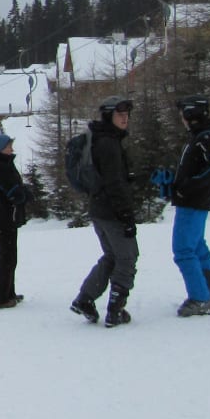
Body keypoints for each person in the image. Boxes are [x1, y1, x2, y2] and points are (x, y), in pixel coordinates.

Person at [70, 96, 141, 328]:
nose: (125, 118)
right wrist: (126, 215)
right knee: (127, 257)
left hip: (99, 208)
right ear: (109, 116)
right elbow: (114, 183)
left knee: (112, 256)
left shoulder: (102, 138)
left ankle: (85, 299)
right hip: (111, 211)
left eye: (127, 114)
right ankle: (115, 310)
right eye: (120, 114)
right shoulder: (108, 143)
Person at [170, 93, 210, 317]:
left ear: (191, 113)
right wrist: (175, 184)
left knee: (183, 250)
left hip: (193, 203)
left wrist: (187, 187)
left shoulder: (205, 138)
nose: (181, 119)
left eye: (183, 113)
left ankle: (200, 297)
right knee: (197, 247)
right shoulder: (201, 136)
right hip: (194, 201)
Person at [0, 130, 30, 309]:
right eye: (9, 146)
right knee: (6, 257)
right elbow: (10, 189)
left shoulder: (3, 163)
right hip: (1, 217)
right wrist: (24, 195)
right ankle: (0, 298)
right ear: (0, 148)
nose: (11, 149)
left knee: (10, 256)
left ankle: (8, 292)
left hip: (6, 216)